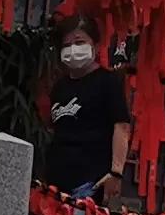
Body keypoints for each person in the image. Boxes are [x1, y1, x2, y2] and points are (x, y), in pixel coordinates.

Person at [42, 25, 133, 199]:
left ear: (96, 46)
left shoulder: (107, 82)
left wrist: (116, 173)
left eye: (79, 42)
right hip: (55, 185)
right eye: (67, 45)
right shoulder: (59, 87)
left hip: (89, 182)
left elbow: (121, 126)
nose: (72, 49)